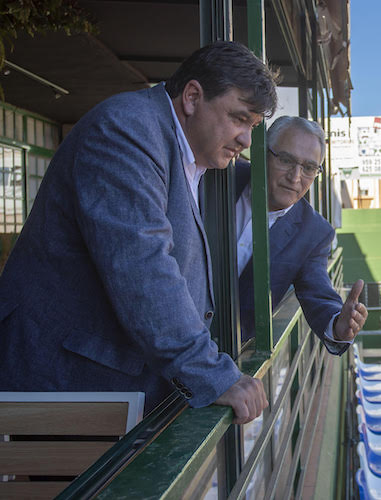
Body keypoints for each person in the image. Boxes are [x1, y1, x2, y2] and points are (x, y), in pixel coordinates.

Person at [0, 41, 277, 424]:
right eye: (239, 119)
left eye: (254, 126)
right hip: (67, 387)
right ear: (193, 96)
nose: (247, 140)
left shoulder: (177, 148)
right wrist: (210, 373)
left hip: (103, 391)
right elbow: (142, 267)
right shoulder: (127, 131)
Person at [234, 116, 367, 352]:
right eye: (286, 160)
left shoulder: (314, 232)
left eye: (308, 168)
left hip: (224, 359)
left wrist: (339, 325)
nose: (295, 177)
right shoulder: (219, 176)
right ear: (264, 154)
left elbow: (318, 293)